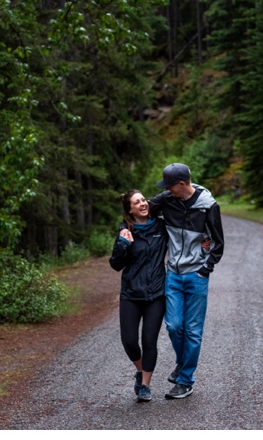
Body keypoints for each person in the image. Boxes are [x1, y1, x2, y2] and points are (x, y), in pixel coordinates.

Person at [148, 163, 225, 399]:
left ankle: (185, 380)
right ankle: (182, 363)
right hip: (173, 274)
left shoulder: (208, 206)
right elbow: (143, 210)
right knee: (173, 325)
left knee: (192, 330)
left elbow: (218, 243)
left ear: (181, 184)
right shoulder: (167, 200)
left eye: (169, 186)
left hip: (196, 276)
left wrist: (205, 268)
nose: (167, 190)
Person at [109, 189, 168, 402]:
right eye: (137, 202)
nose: (143, 204)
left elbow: (182, 237)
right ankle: (140, 369)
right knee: (130, 341)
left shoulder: (161, 226)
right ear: (130, 209)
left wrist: (202, 241)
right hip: (131, 293)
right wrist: (122, 245)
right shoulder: (126, 231)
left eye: (144, 200)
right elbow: (115, 264)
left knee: (149, 340)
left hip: (156, 293)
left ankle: (145, 385)